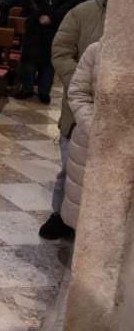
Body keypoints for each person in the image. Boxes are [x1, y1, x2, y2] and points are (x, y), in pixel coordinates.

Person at [41, 0, 108, 240]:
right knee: (71, 167)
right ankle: (60, 215)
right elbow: (61, 51)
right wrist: (78, 81)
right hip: (79, 107)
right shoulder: (83, 12)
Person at [17, 0, 82, 103]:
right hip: (35, 22)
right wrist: (39, 14)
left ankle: (44, 91)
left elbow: (70, 4)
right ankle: (26, 88)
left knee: (49, 59)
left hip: (55, 25)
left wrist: (50, 17)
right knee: (29, 57)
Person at [60, 40, 103, 232]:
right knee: (88, 224)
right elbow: (79, 92)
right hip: (91, 141)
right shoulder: (98, 49)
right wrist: (94, 127)